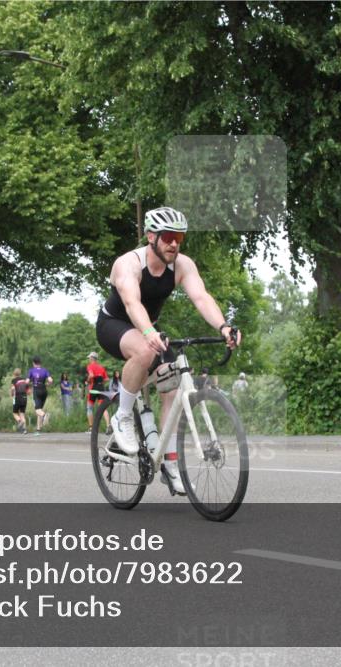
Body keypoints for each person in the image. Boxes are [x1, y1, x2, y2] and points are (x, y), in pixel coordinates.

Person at [95, 206, 241, 496]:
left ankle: (169, 462)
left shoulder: (183, 265)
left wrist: (224, 327)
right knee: (145, 351)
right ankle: (122, 416)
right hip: (115, 325)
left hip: (149, 330)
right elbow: (132, 304)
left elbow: (201, 297)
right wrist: (148, 332)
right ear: (152, 236)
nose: (174, 243)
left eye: (179, 238)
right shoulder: (129, 263)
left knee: (172, 385)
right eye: (168, 237)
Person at [86, 352, 111, 433]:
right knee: (103, 408)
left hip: (93, 388)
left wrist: (88, 380)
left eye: (89, 358)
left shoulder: (90, 366)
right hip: (101, 388)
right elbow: (107, 379)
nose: (89, 359)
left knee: (89, 408)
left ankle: (91, 428)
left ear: (92, 358)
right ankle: (108, 426)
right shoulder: (101, 367)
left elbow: (91, 375)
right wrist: (101, 380)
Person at [29, 356, 54, 435]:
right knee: (39, 409)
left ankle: (45, 415)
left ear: (33, 363)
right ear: (40, 363)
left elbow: (27, 381)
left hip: (36, 390)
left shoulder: (31, 370)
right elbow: (50, 380)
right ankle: (38, 430)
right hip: (44, 390)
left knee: (37, 410)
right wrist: (48, 384)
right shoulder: (45, 370)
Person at [10, 368, 30, 433]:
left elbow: (13, 388)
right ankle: (25, 430)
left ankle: (20, 421)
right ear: (20, 373)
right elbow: (28, 392)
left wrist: (12, 394)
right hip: (24, 398)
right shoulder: (24, 381)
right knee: (22, 413)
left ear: (14, 374)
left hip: (17, 398)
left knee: (14, 413)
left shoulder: (14, 380)